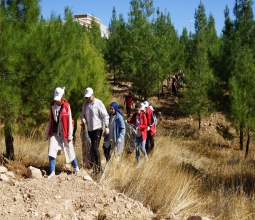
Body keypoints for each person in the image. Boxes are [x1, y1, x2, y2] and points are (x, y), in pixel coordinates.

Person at [45, 87, 79, 179]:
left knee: (70, 151)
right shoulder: (52, 105)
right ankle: (52, 172)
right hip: (55, 133)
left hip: (64, 134)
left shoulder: (67, 106)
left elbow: (69, 122)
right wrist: (47, 132)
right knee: (51, 150)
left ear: (63, 97)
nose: (56, 101)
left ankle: (77, 169)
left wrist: (69, 136)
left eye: (58, 98)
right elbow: (51, 119)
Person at [81, 87, 109, 176]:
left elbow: (105, 115)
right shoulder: (85, 105)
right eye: (86, 97)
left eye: (89, 97)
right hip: (90, 130)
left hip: (98, 129)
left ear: (93, 95)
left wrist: (107, 126)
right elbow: (83, 114)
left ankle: (100, 170)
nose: (87, 99)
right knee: (91, 150)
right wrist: (83, 118)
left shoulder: (98, 103)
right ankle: (95, 169)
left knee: (94, 148)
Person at [127, 103, 148, 167]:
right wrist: (126, 121)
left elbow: (145, 125)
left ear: (140, 109)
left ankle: (146, 156)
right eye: (135, 110)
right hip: (137, 134)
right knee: (136, 149)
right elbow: (131, 121)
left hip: (142, 134)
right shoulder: (134, 115)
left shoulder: (143, 115)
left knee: (142, 149)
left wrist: (138, 127)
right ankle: (138, 163)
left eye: (137, 110)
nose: (136, 111)